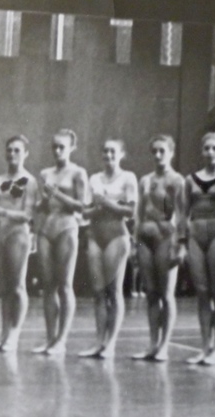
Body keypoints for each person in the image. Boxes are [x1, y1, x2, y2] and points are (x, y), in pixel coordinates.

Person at [179, 132, 215, 366]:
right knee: (202, 293)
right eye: (207, 148)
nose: (210, 152)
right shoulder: (190, 180)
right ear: (202, 151)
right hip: (196, 234)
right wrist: (182, 241)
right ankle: (205, 347)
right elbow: (183, 213)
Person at [80, 139, 138, 359]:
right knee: (98, 292)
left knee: (113, 291)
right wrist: (101, 207)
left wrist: (104, 203)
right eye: (105, 151)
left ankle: (111, 344)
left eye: (113, 151)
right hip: (95, 236)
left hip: (117, 236)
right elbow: (85, 212)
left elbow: (130, 212)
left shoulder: (128, 177)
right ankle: (99, 342)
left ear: (121, 154)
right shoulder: (94, 178)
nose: (108, 155)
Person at [33, 129, 89, 356]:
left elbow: (82, 206)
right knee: (48, 286)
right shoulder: (45, 173)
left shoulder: (78, 173)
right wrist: (42, 201)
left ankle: (62, 340)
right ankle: (50, 339)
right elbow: (42, 205)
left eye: (61, 147)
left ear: (71, 148)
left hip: (67, 228)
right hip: (46, 229)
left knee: (65, 285)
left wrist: (57, 194)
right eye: (54, 147)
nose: (57, 151)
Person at [133, 135, 185, 361]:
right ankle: (153, 344)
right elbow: (138, 214)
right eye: (154, 151)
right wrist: (135, 243)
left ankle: (164, 345)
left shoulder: (177, 180)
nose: (158, 155)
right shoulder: (145, 180)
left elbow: (182, 215)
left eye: (162, 151)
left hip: (166, 239)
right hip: (145, 239)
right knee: (151, 293)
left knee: (166, 294)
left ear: (171, 152)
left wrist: (180, 244)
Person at [0, 135, 37, 352]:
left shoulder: (29, 181)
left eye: (17, 150)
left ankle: (14, 335)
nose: (12, 154)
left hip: (18, 235)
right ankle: (4, 335)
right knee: (3, 287)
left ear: (25, 153)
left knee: (17, 286)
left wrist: (3, 212)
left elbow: (27, 215)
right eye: (9, 150)